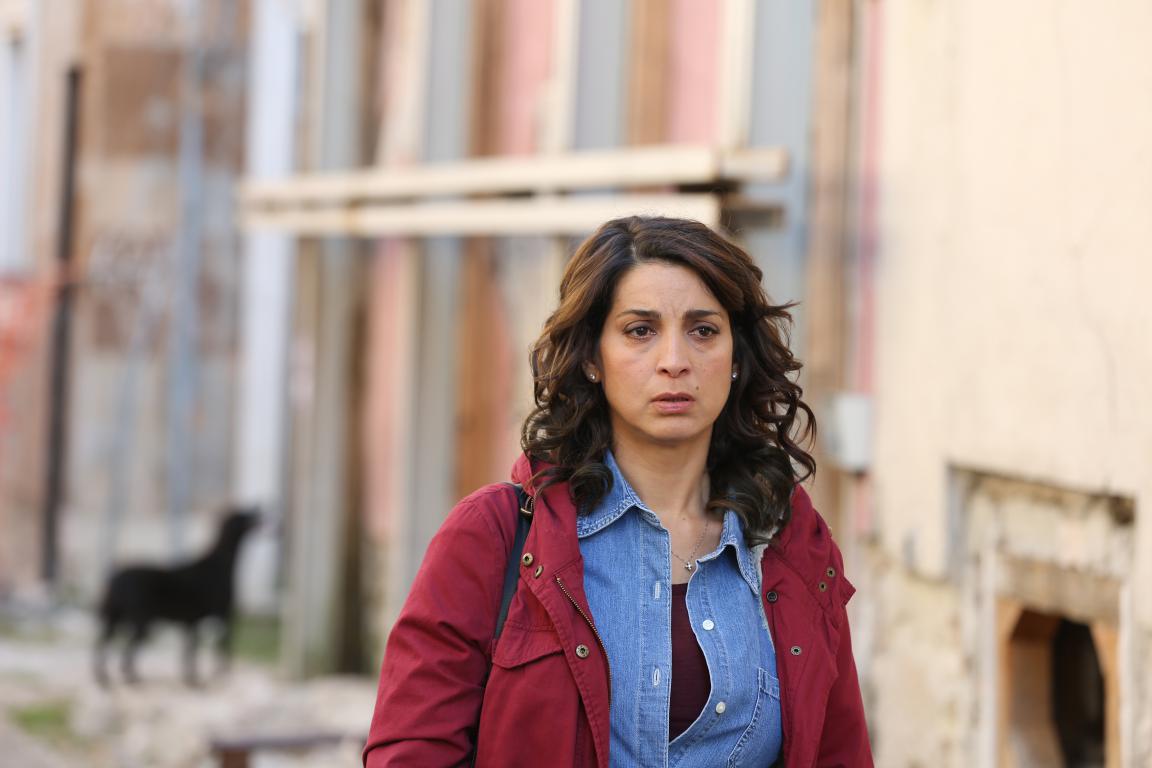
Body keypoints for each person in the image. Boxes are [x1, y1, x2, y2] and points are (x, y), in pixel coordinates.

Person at [363, 216, 873, 767]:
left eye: (703, 331)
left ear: (736, 358)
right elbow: (411, 751)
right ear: (591, 358)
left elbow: (839, 753)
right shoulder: (495, 534)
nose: (674, 361)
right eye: (640, 330)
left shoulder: (789, 541)